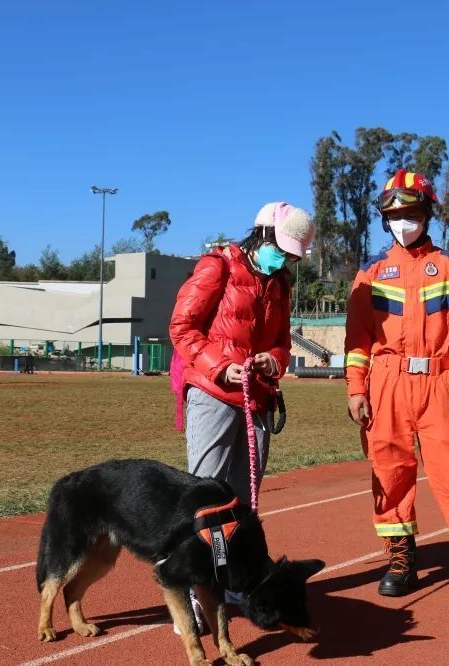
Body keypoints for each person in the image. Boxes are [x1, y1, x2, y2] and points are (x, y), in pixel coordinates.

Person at [344, 169, 449, 599]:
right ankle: (400, 556)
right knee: (390, 470)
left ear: (427, 214)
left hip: (441, 381)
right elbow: (357, 340)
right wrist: (356, 390)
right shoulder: (371, 272)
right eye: (395, 215)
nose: (403, 222)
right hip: (387, 383)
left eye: (411, 212)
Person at [168, 202, 314, 631]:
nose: (285, 260)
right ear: (261, 233)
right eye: (281, 250)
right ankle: (196, 592)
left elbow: (283, 342)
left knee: (243, 504)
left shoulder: (281, 282)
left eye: (292, 255)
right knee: (207, 500)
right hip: (213, 392)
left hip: (257, 397)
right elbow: (182, 327)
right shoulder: (218, 267)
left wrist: (273, 360)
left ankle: (230, 578)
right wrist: (219, 365)